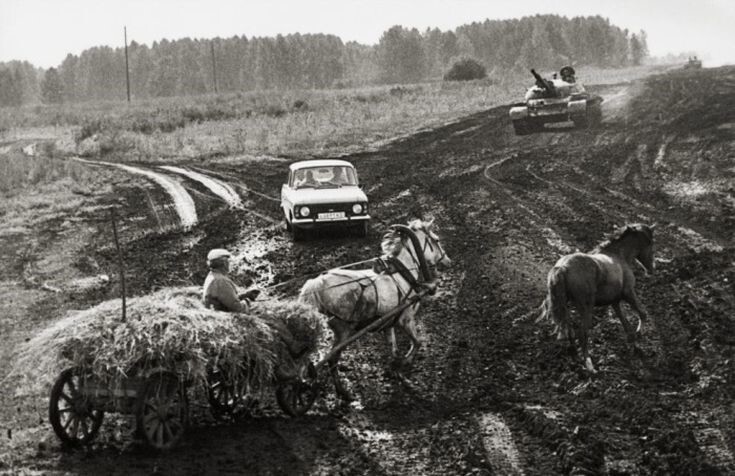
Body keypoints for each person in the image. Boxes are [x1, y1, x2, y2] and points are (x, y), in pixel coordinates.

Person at [202, 248, 251, 312]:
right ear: (224, 263)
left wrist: (243, 295)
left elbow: (224, 297)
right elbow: (236, 307)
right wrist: (247, 302)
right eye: (228, 261)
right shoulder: (221, 280)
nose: (230, 264)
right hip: (224, 317)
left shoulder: (212, 275)